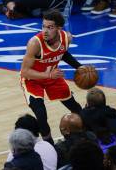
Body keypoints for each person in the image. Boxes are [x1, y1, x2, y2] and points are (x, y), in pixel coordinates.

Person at [20, 9, 82, 145]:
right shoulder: (34, 43)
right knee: (41, 114)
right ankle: (50, 146)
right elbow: (24, 72)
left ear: (59, 29)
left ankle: (85, 136)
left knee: (76, 108)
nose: (45, 31)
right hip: (33, 80)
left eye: (50, 27)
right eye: (43, 26)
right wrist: (48, 75)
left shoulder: (67, 38)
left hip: (52, 77)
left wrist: (79, 67)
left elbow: (63, 53)